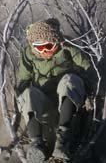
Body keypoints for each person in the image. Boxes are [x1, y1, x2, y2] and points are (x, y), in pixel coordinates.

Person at [16, 18, 95, 163]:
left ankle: (62, 141)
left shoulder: (67, 48)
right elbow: (23, 81)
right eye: (40, 47)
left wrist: (90, 90)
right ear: (33, 46)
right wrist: (21, 102)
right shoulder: (28, 54)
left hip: (69, 101)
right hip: (44, 104)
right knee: (28, 93)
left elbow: (89, 69)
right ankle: (37, 144)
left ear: (57, 41)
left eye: (49, 46)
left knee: (69, 80)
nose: (45, 51)